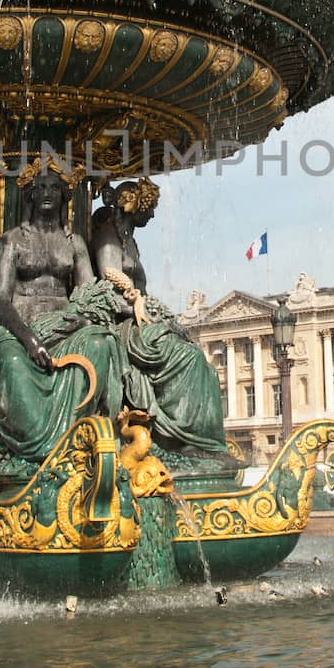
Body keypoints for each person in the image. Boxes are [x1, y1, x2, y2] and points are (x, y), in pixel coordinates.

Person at [0, 162, 126, 463]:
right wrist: (29, 340)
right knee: (13, 362)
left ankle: (78, 436)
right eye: (40, 187)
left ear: (64, 197)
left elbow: (89, 294)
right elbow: (0, 302)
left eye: (54, 188)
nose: (47, 193)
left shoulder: (75, 243)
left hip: (63, 325)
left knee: (100, 342)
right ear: (30, 195)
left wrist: (82, 319)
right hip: (17, 328)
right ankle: (32, 449)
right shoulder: (13, 240)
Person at [90, 178, 231, 463]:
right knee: (187, 359)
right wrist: (141, 309)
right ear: (132, 203)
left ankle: (200, 442)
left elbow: (140, 292)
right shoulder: (108, 235)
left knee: (196, 357)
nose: (152, 214)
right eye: (149, 207)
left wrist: (158, 314)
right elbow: (107, 284)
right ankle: (185, 439)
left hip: (138, 317)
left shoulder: (130, 241)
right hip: (118, 321)